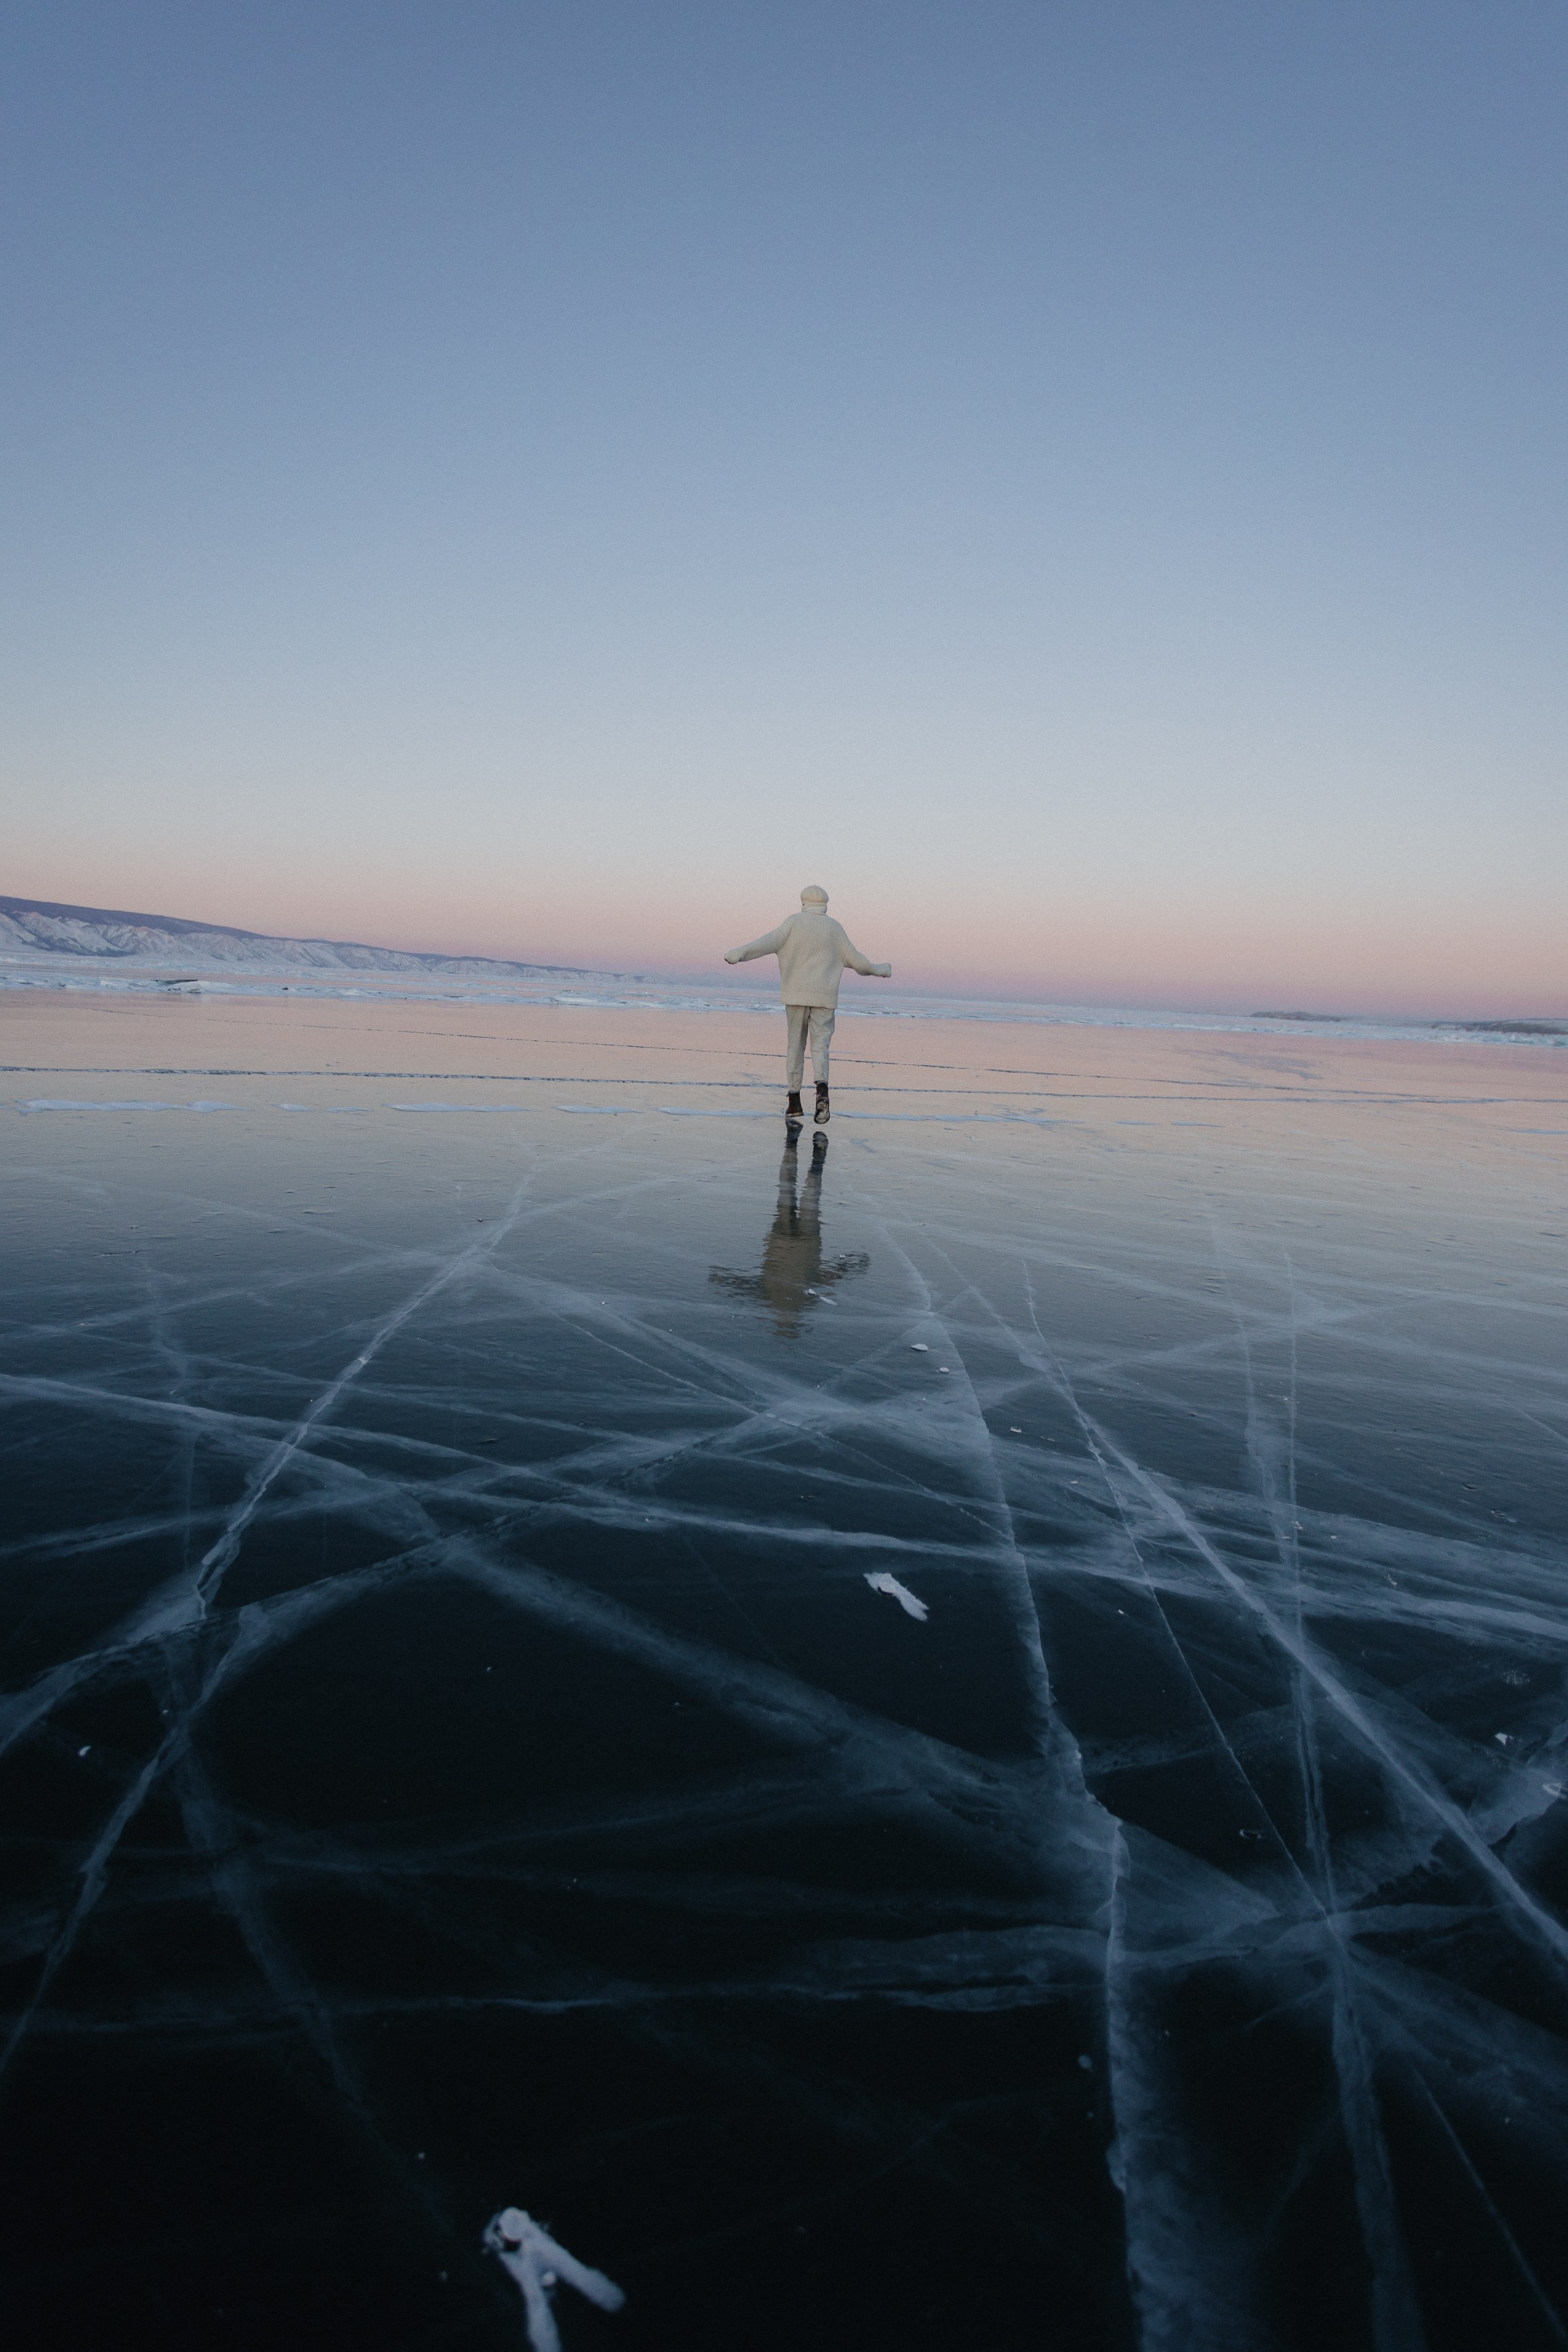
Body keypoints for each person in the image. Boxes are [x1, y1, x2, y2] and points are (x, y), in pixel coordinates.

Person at [724, 885, 892, 1125]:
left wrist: (739, 953)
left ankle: (794, 1103)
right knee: (820, 1047)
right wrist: (879, 970)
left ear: (803, 901)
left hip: (795, 997)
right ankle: (822, 1090)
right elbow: (857, 961)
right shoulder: (835, 929)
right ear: (825, 903)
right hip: (825, 999)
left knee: (795, 1046)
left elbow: (765, 943)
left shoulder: (793, 923)